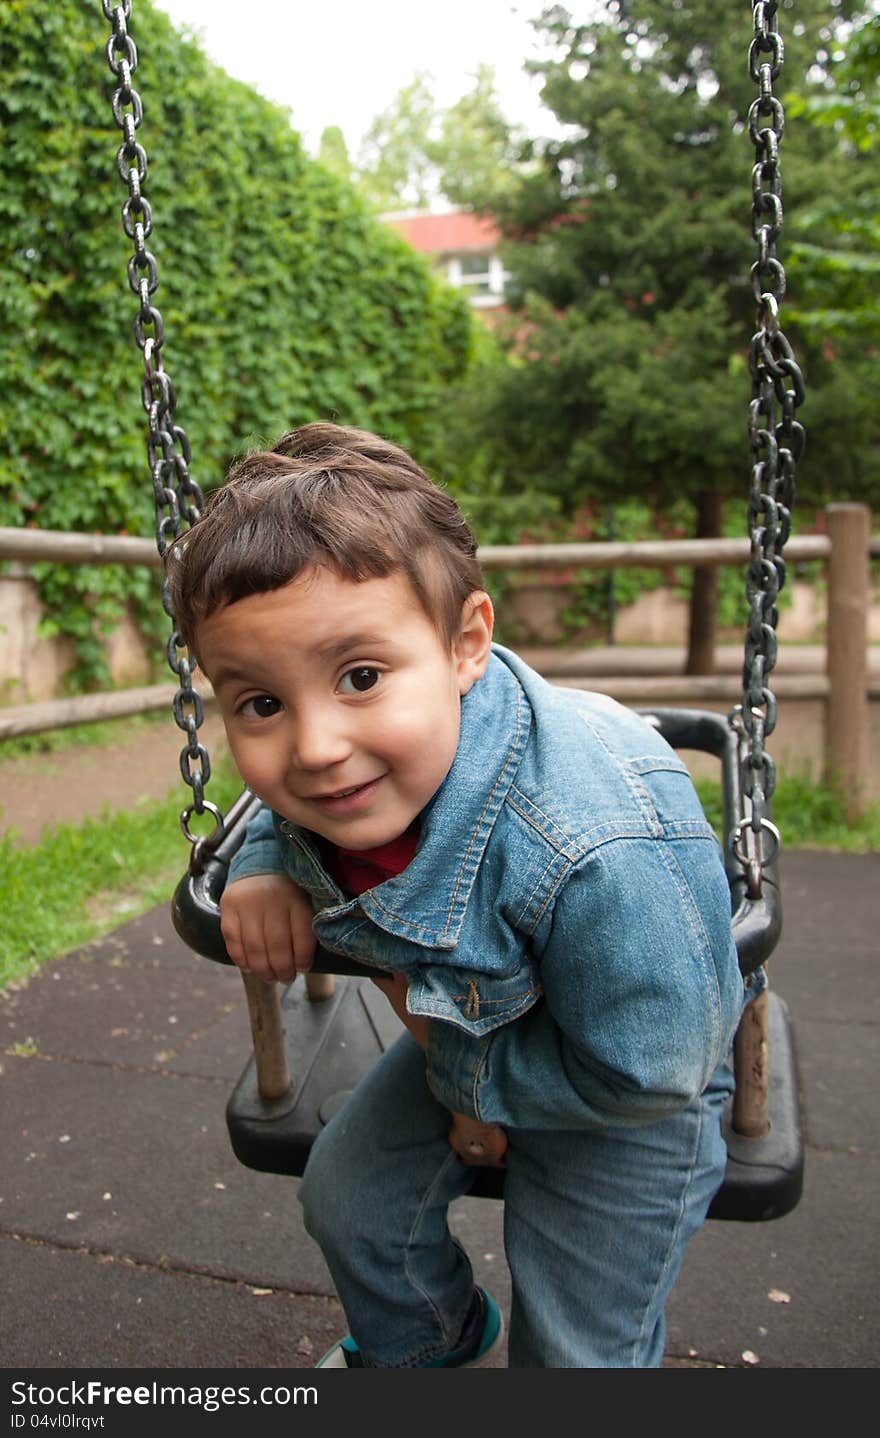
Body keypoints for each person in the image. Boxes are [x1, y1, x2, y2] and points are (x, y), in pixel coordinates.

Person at [166, 422, 749, 1369]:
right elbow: (290, 799)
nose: (314, 748)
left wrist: (476, 1095)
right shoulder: (353, 772)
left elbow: (655, 1069)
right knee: (347, 1200)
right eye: (261, 704)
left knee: (575, 1343)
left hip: (628, 1080)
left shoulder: (597, 847)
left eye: (361, 677)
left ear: (466, 643)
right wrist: (265, 859)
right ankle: (427, 1344)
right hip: (476, 1026)